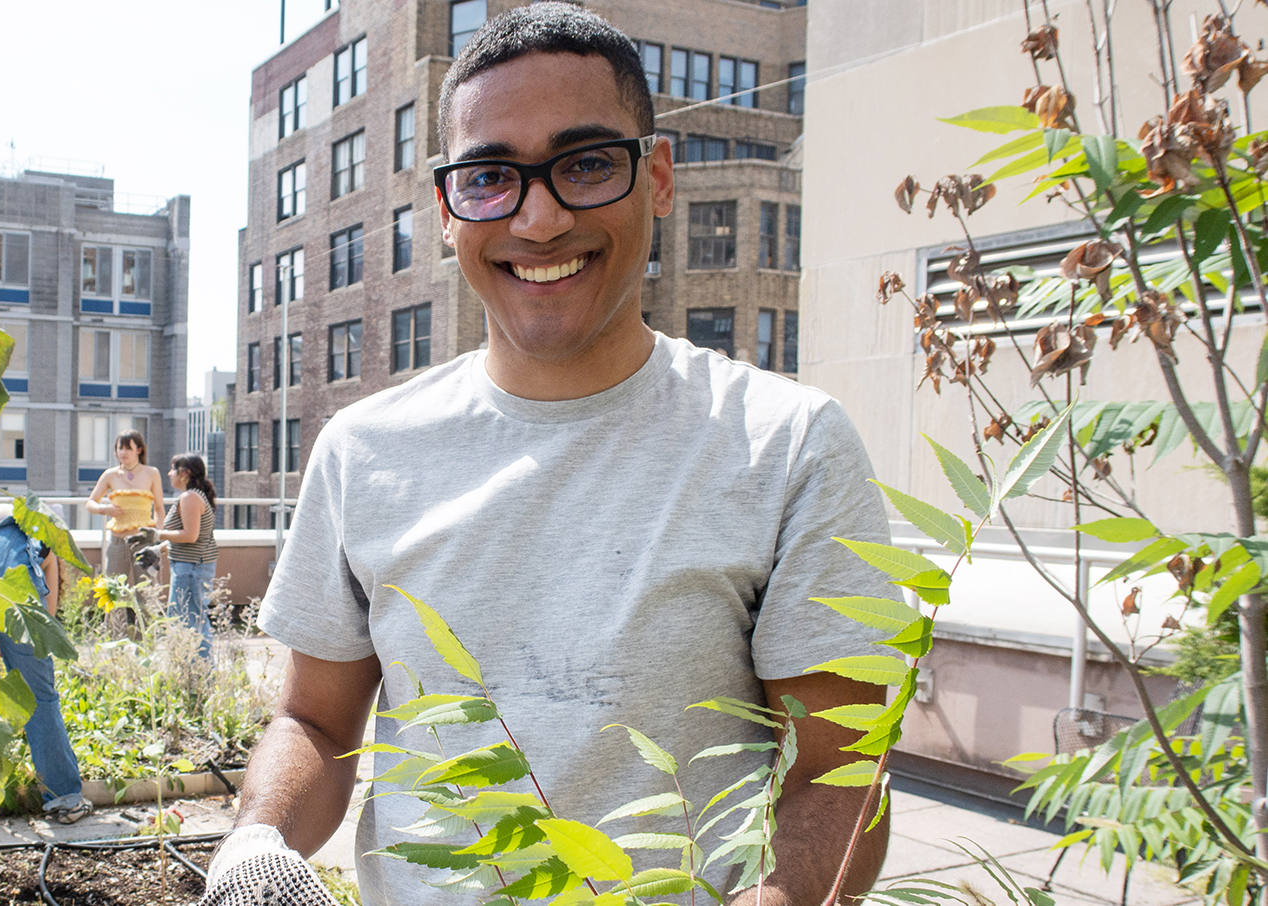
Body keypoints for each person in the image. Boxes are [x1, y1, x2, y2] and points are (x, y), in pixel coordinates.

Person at [203, 6, 893, 906]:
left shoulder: (787, 446)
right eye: (491, 176)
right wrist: (256, 840)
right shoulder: (362, 452)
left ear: (659, 178)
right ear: (446, 210)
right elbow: (316, 721)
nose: (539, 217)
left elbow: (838, 775)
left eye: (588, 164)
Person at [0, 503, 94, 824]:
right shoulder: (45, 536)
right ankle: (65, 797)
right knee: (38, 695)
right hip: (19, 589)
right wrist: (24, 647)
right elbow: (44, 622)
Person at [155, 453, 218, 660]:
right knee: (190, 620)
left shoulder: (190, 497)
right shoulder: (195, 496)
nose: (169, 473)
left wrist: (155, 535)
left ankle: (201, 677)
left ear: (185, 474)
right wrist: (159, 548)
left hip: (191, 569)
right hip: (192, 567)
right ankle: (194, 676)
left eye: (173, 468)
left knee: (190, 622)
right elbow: (189, 537)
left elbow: (190, 536)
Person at [84, 429, 164, 588]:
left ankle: (145, 615)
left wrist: (158, 536)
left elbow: (159, 508)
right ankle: (115, 615)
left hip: (143, 540)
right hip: (117, 540)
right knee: (113, 588)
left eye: (128, 448)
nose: (123, 452)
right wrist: (105, 509)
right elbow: (90, 503)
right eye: (120, 448)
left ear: (139, 450)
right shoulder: (110, 475)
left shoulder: (151, 473)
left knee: (146, 590)